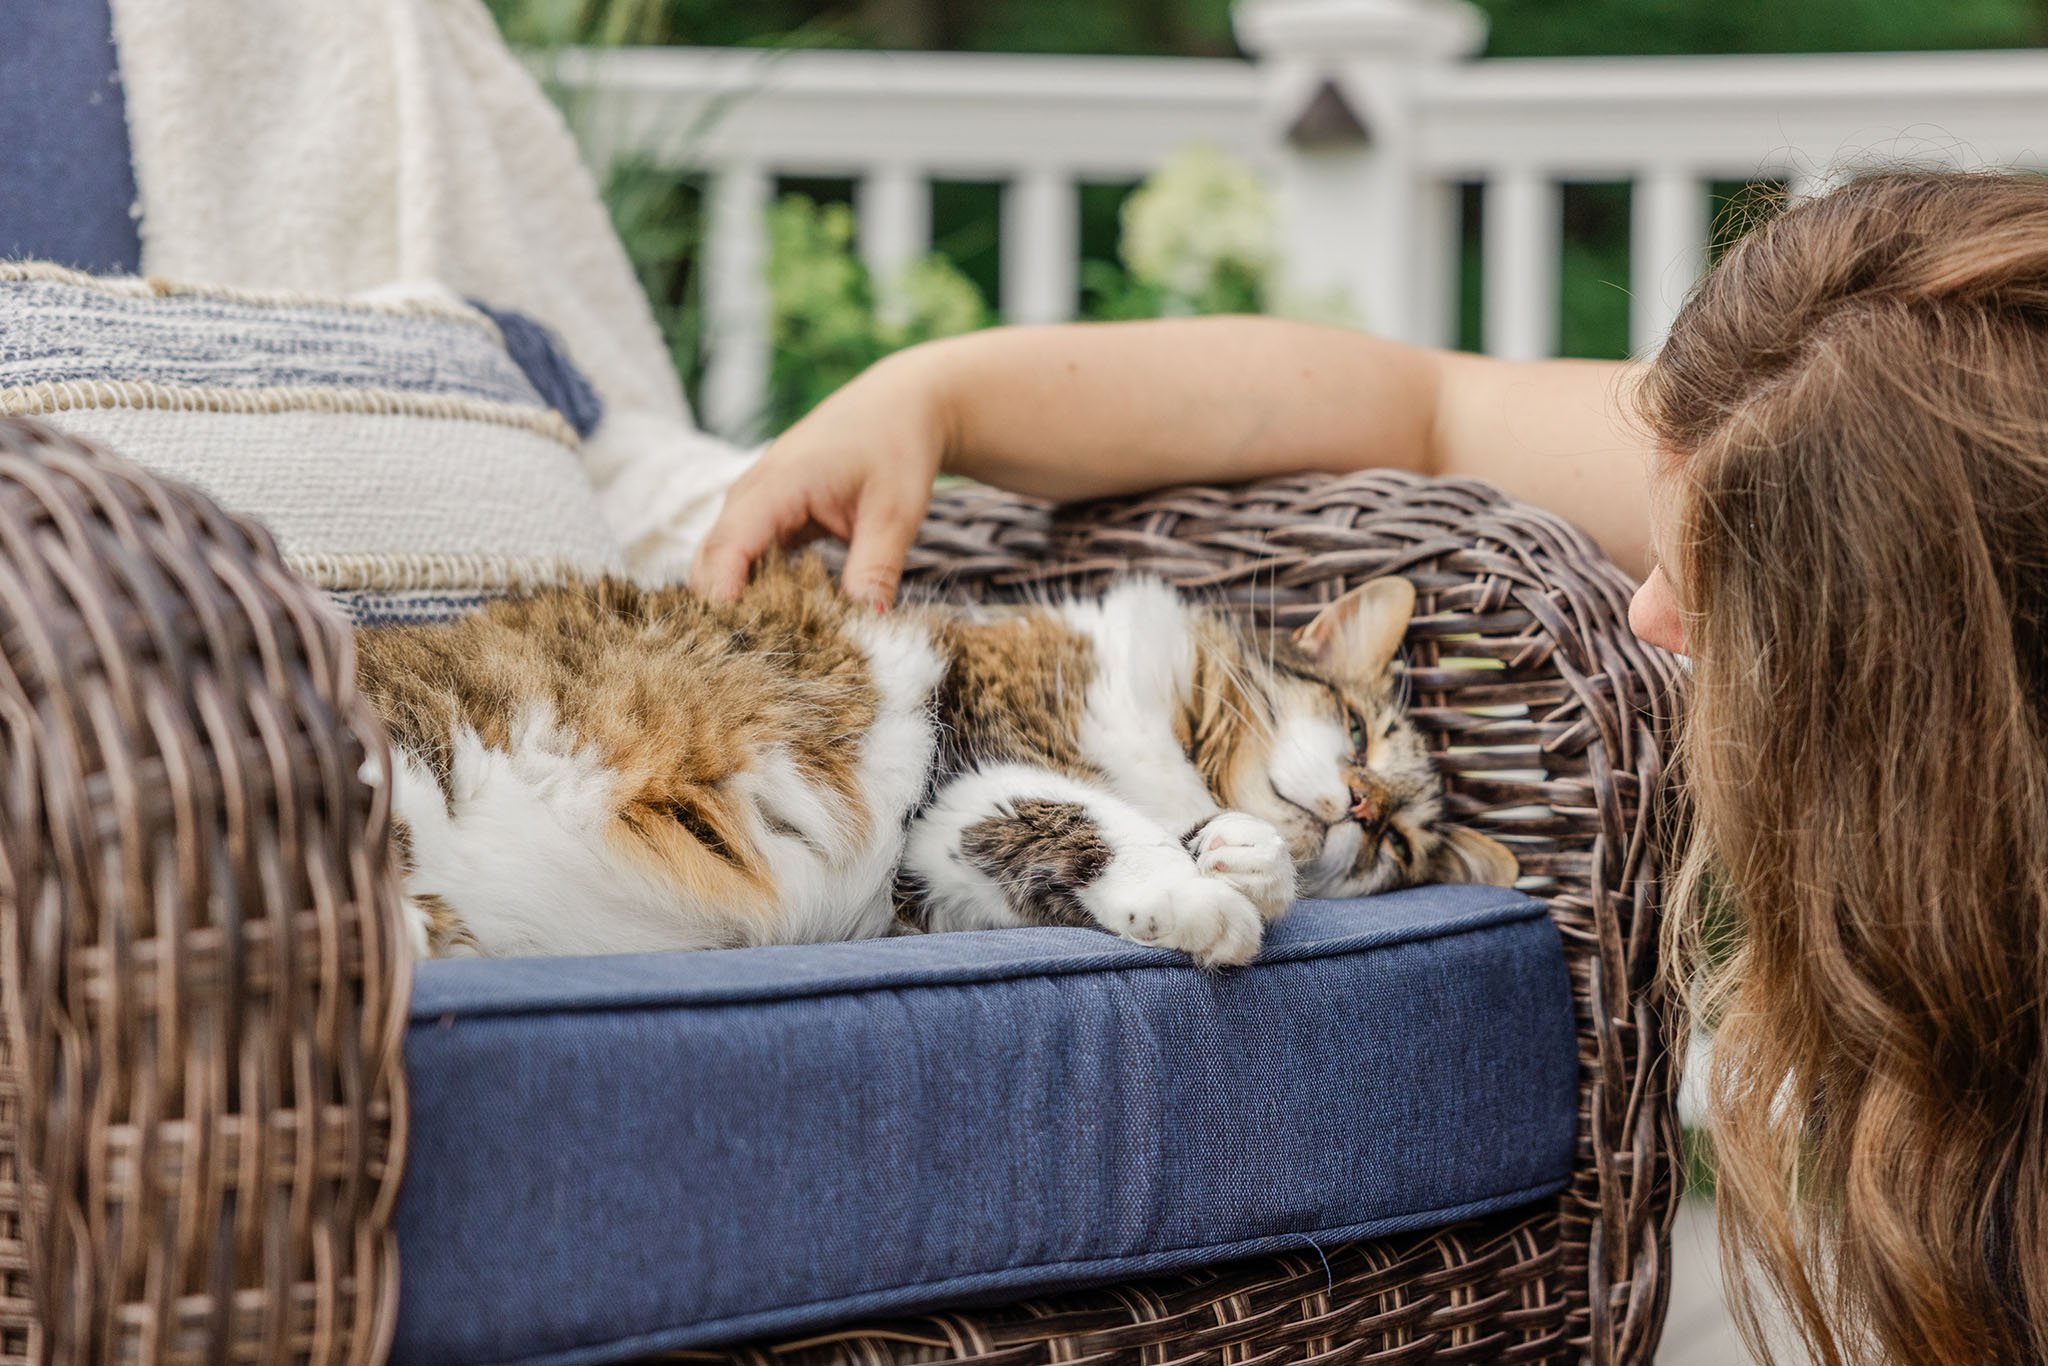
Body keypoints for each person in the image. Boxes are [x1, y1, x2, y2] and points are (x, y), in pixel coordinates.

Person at [696, 169, 2048, 1366]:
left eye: (1724, 590)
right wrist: (930, 395)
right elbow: (1423, 403)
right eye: (1658, 539)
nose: (1648, 618)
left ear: (1929, 681)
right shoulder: (1830, 409)